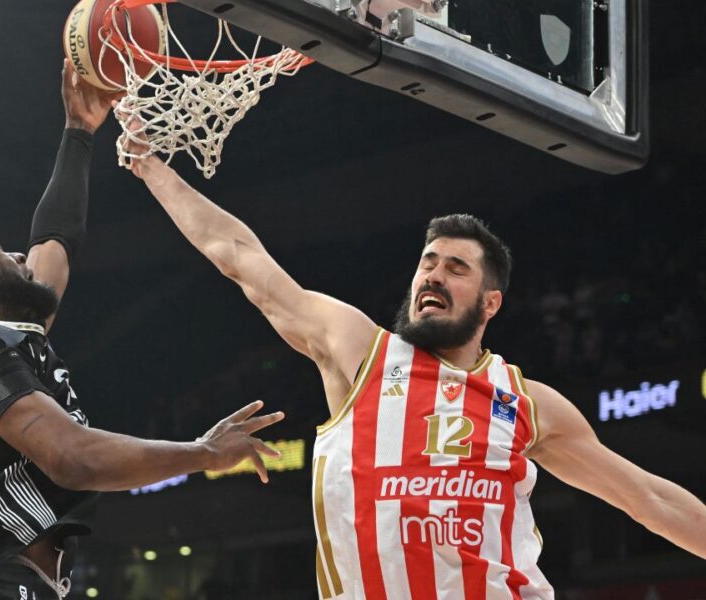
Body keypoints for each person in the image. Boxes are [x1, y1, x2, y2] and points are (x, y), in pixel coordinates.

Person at [120, 132, 706, 599]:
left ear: (490, 303)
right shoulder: (361, 352)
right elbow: (240, 258)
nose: (434, 275)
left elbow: (650, 500)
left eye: (456, 268)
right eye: (428, 262)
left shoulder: (528, 401)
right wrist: (152, 168)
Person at [0, 62, 284, 600]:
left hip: (30, 580)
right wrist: (203, 453)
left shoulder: (17, 335)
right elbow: (73, 458)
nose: (18, 253)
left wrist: (80, 131)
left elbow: (56, 237)